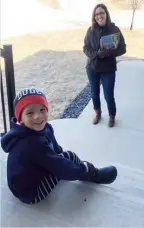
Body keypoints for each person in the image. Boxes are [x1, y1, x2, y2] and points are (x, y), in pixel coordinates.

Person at [1, 88, 117, 204]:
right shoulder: (31, 144)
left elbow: (56, 150)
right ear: (20, 119)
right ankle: (91, 174)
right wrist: (81, 169)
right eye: (30, 113)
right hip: (30, 192)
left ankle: (88, 171)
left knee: (66, 156)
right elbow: (59, 167)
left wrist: (63, 158)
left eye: (42, 109)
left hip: (34, 171)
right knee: (69, 158)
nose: (38, 116)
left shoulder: (45, 127)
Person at [83, 4, 126, 127]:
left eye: (101, 13)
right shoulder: (90, 30)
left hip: (108, 68)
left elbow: (123, 49)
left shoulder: (115, 29)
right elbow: (85, 47)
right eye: (96, 14)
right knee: (94, 93)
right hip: (92, 68)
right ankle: (98, 113)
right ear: (94, 17)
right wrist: (96, 54)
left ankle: (112, 115)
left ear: (106, 14)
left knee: (108, 94)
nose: (99, 16)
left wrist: (110, 52)